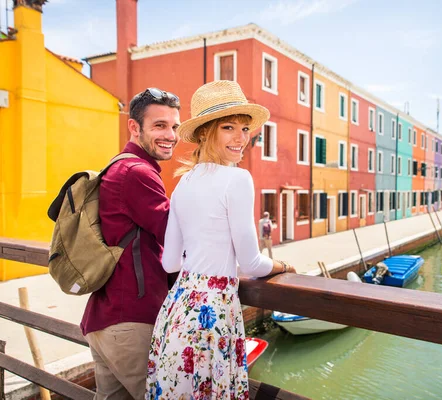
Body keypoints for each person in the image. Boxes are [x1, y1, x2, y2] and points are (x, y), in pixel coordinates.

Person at [146, 80, 296, 400]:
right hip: (213, 313)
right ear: (205, 132)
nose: (241, 138)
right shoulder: (238, 179)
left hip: (179, 308)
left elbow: (170, 261)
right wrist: (284, 265)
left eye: (244, 129)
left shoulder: (184, 183)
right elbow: (251, 262)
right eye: (229, 127)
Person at [80, 87, 181, 400]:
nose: (171, 135)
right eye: (160, 125)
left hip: (106, 318)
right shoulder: (137, 172)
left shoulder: (120, 165)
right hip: (131, 322)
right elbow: (175, 235)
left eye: (175, 126)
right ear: (134, 127)